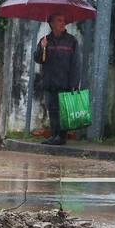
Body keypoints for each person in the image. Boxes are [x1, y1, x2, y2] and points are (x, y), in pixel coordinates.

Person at [34, 13, 82, 146]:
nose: (63, 23)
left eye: (63, 20)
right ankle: (54, 135)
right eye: (59, 21)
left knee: (63, 112)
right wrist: (41, 48)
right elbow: (38, 59)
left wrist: (75, 83)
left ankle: (61, 137)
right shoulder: (45, 40)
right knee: (52, 110)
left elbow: (76, 64)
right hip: (49, 82)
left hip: (65, 82)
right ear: (52, 24)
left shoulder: (72, 41)